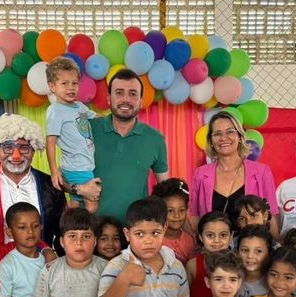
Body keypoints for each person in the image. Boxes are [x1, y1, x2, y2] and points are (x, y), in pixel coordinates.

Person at [0, 113, 66, 248]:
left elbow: (62, 230)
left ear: (33, 150)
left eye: (24, 147)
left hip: (40, 257)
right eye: (8, 147)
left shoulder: (49, 185)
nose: (16, 156)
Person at [76, 69, 169, 223]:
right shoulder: (87, 130)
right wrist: (79, 189)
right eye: (119, 93)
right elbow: (63, 177)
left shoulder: (155, 139)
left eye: (133, 94)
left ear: (141, 101)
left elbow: (166, 192)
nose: (126, 99)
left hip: (135, 232)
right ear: (108, 98)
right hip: (90, 230)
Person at [189, 111, 279, 238]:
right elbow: (194, 217)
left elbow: (271, 216)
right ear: (211, 140)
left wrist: (273, 246)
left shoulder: (262, 172)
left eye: (230, 132)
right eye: (217, 134)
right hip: (215, 248)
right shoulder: (200, 174)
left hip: (251, 247)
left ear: (240, 136)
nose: (223, 138)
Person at [45, 57, 98, 213]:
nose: (71, 88)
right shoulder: (55, 110)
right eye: (64, 83)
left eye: (74, 83)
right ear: (52, 86)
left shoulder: (80, 106)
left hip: (83, 163)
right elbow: (50, 142)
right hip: (77, 167)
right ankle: (84, 227)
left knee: (75, 202)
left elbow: (97, 117)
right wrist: (54, 171)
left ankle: (65, 224)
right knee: (92, 204)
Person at [152, 178, 197, 263]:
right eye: (170, 211)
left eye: (181, 210)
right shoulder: (154, 240)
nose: (177, 216)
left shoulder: (190, 241)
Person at [237, 225, 274, 297]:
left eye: (258, 251)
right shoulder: (230, 277)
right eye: (244, 250)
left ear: (269, 254)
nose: (250, 256)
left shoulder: (273, 283)